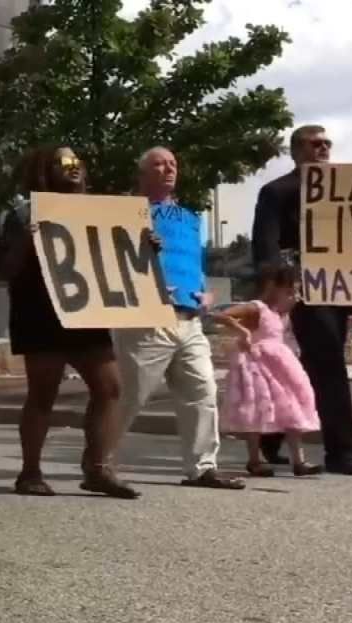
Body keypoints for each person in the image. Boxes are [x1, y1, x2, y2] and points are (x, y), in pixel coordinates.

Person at [2, 146, 138, 499]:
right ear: (45, 169)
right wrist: (30, 238)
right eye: (64, 163)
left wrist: (140, 244)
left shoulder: (96, 210)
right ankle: (29, 472)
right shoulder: (21, 212)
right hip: (41, 314)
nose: (74, 168)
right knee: (43, 394)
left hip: (87, 311)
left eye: (77, 162)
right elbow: (8, 269)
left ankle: (97, 468)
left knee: (110, 387)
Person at [112, 148, 244, 490]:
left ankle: (202, 467)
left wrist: (207, 292)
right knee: (131, 395)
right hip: (146, 318)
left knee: (202, 391)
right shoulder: (126, 213)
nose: (169, 168)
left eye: (173, 163)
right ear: (141, 173)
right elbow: (109, 260)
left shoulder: (190, 217)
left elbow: (195, 263)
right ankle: (99, 460)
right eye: (159, 163)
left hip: (190, 319)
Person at [252, 125, 352, 474]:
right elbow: (265, 246)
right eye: (315, 144)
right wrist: (276, 290)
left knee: (314, 367)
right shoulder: (278, 191)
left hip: (343, 285)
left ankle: (269, 440)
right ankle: (342, 453)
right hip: (303, 288)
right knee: (328, 363)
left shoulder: (347, 192)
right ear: (296, 151)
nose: (323, 149)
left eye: (327, 143)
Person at [213, 263, 322, 477]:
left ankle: (299, 460)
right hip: (257, 365)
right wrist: (242, 331)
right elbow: (221, 315)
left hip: (280, 367)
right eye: (289, 292)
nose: (294, 297)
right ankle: (255, 459)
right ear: (273, 286)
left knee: (292, 406)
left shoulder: (278, 314)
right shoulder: (256, 308)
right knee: (256, 409)